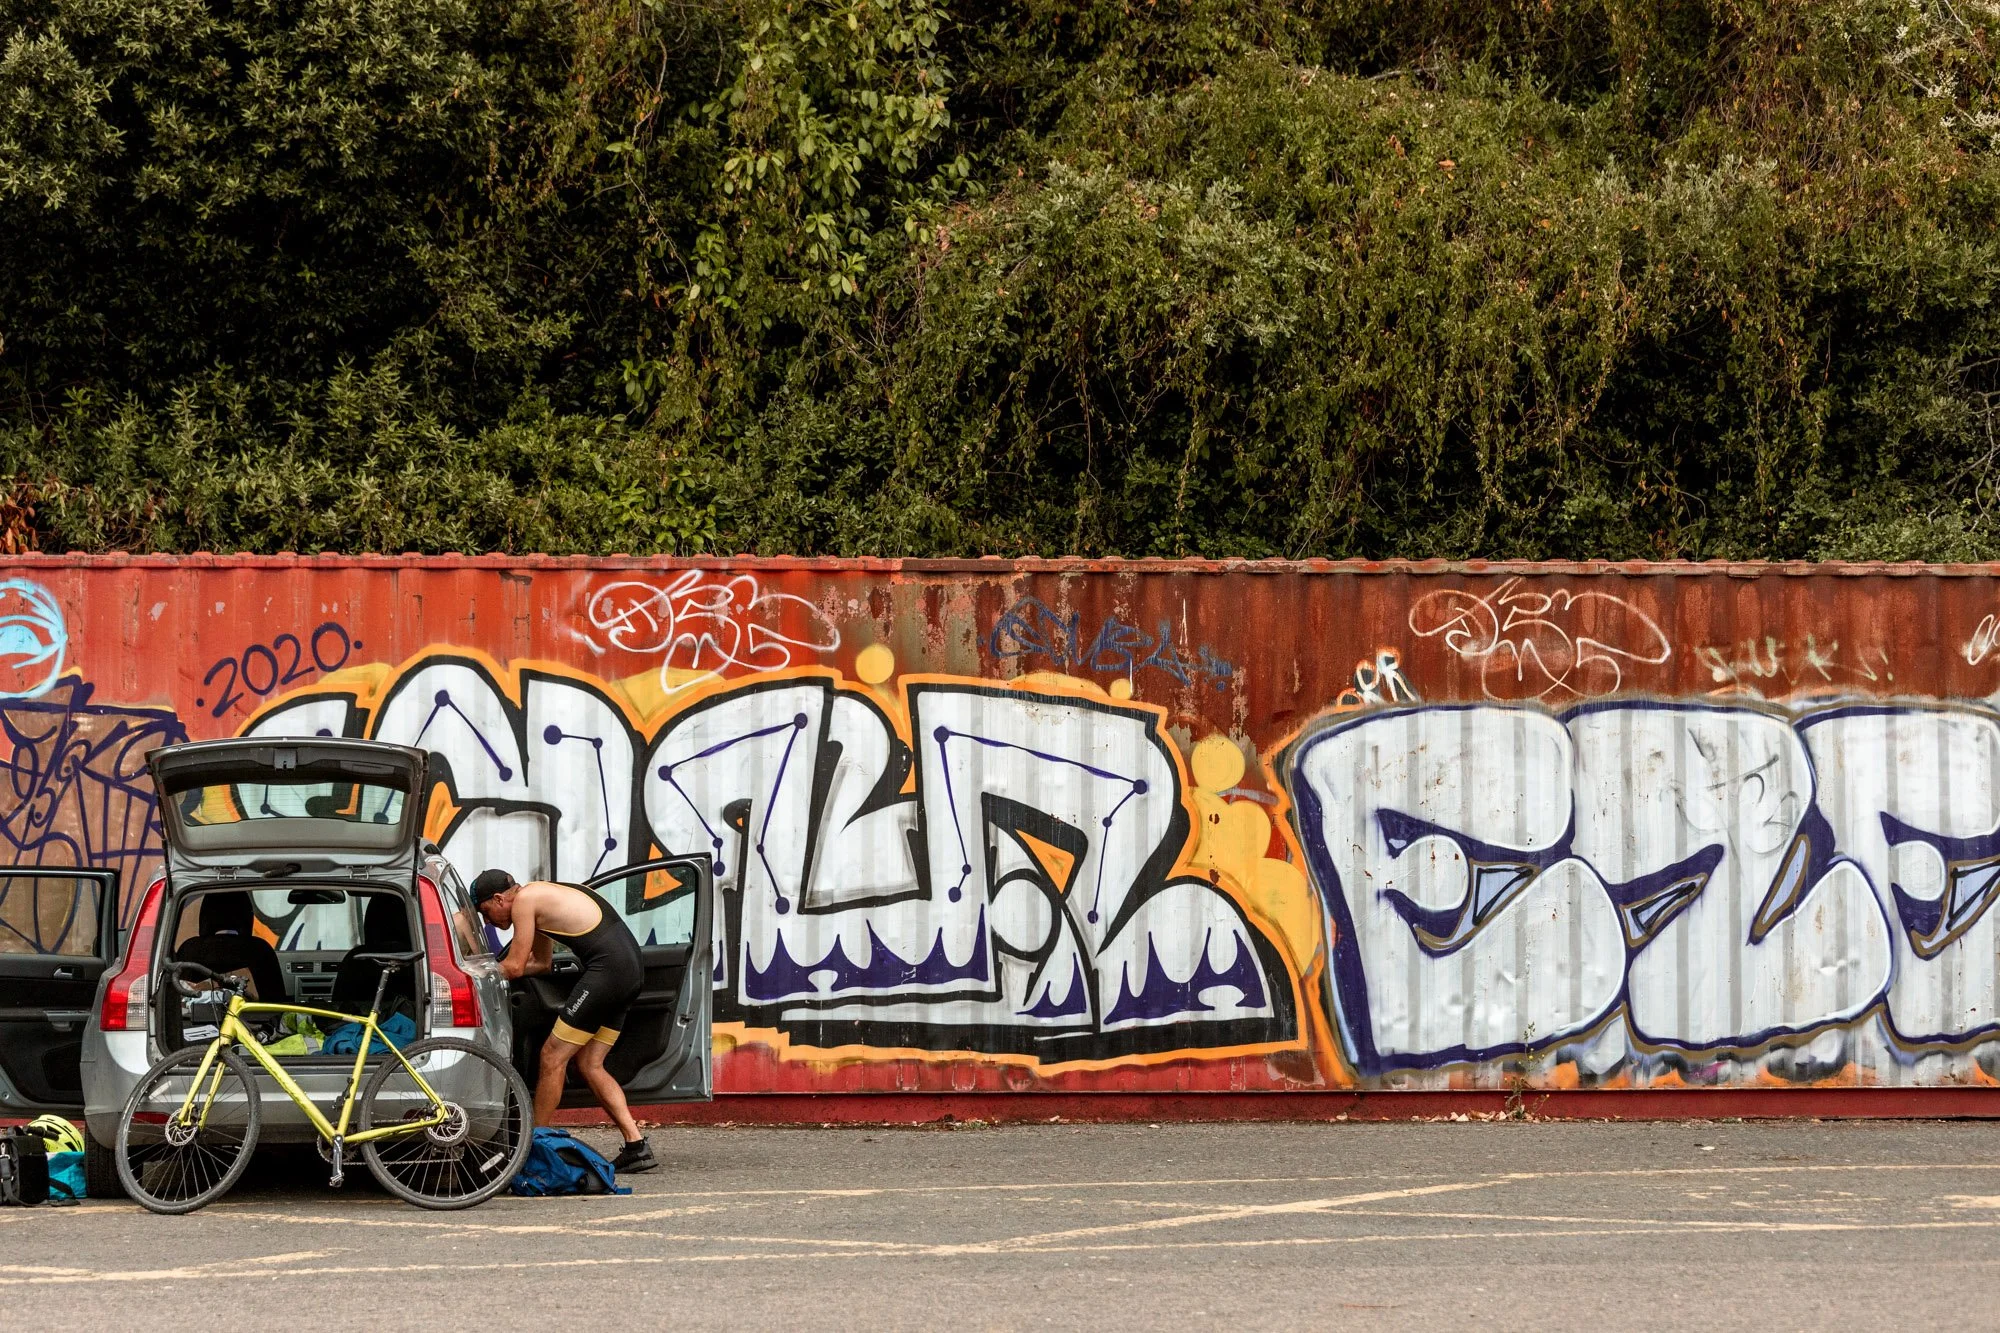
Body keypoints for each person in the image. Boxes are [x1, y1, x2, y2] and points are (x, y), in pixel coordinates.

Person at [469, 868, 657, 1174]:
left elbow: (515, 967)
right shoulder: (539, 895)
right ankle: (637, 1146)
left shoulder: (525, 901)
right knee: (590, 1063)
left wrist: (470, 974)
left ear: (500, 898)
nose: (488, 921)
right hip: (630, 970)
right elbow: (541, 964)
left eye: (485, 912)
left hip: (608, 972)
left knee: (552, 1057)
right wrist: (501, 969)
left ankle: (532, 1149)